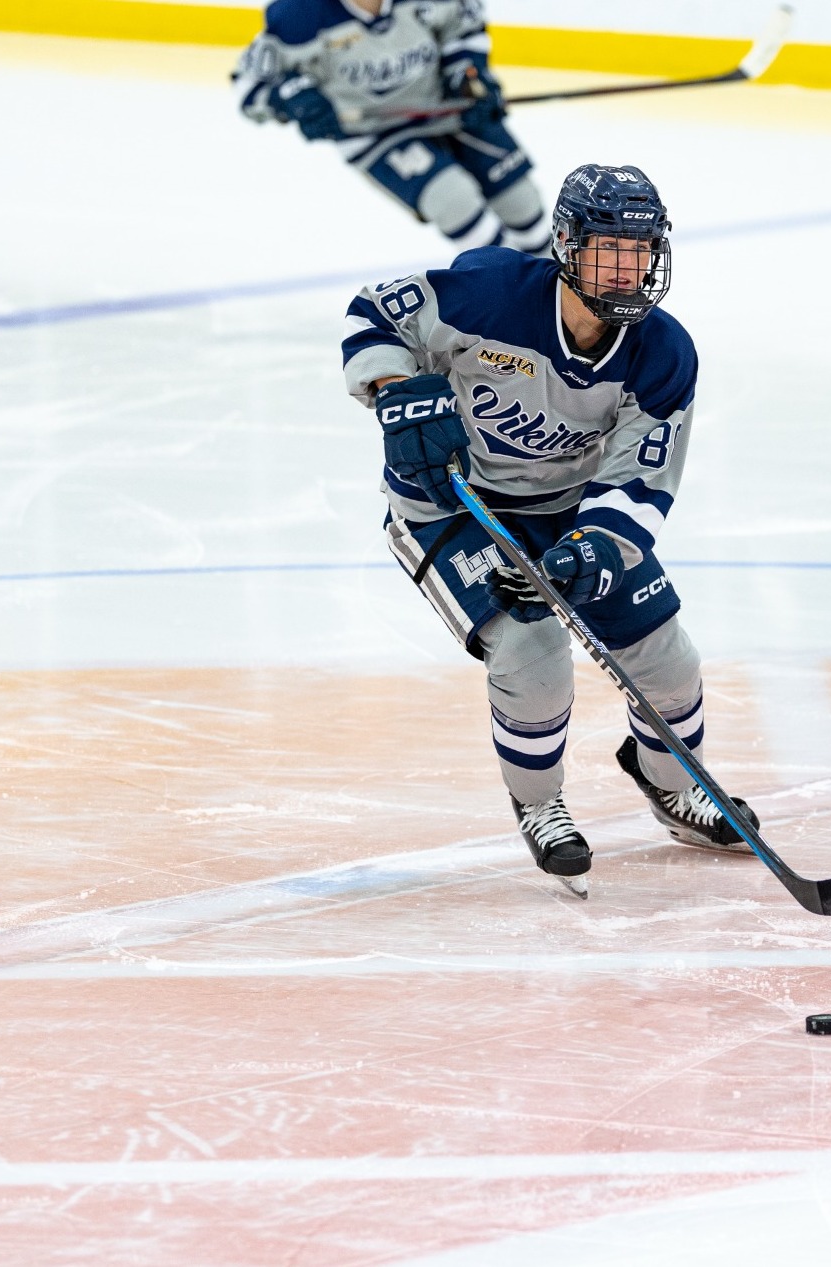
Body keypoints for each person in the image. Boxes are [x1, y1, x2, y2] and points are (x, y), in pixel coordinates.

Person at [340, 164, 757, 895]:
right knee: (531, 650)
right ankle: (540, 806)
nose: (628, 269)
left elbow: (637, 481)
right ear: (564, 243)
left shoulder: (662, 353)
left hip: (566, 510)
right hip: (450, 502)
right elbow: (374, 312)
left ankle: (675, 787)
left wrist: (589, 552)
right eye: (609, 249)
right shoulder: (489, 294)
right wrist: (396, 390)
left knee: (667, 660)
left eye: (641, 251)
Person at [235, 0, 549, 255]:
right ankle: (510, 294)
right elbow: (249, 84)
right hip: (373, 134)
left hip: (448, 109)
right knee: (453, 201)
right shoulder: (297, 16)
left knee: (522, 203)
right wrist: (294, 99)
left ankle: (553, 293)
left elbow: (464, 26)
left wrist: (467, 75)